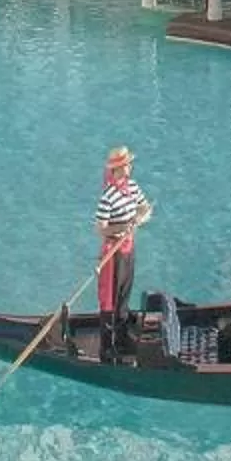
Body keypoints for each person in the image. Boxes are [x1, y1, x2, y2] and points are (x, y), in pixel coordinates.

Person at [94, 146, 152, 355]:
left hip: (128, 247)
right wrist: (122, 227)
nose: (130, 167)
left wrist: (139, 218)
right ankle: (106, 346)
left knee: (124, 293)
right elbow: (100, 229)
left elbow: (145, 208)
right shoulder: (107, 197)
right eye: (127, 164)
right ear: (118, 168)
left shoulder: (133, 187)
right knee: (110, 298)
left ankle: (121, 338)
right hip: (113, 252)